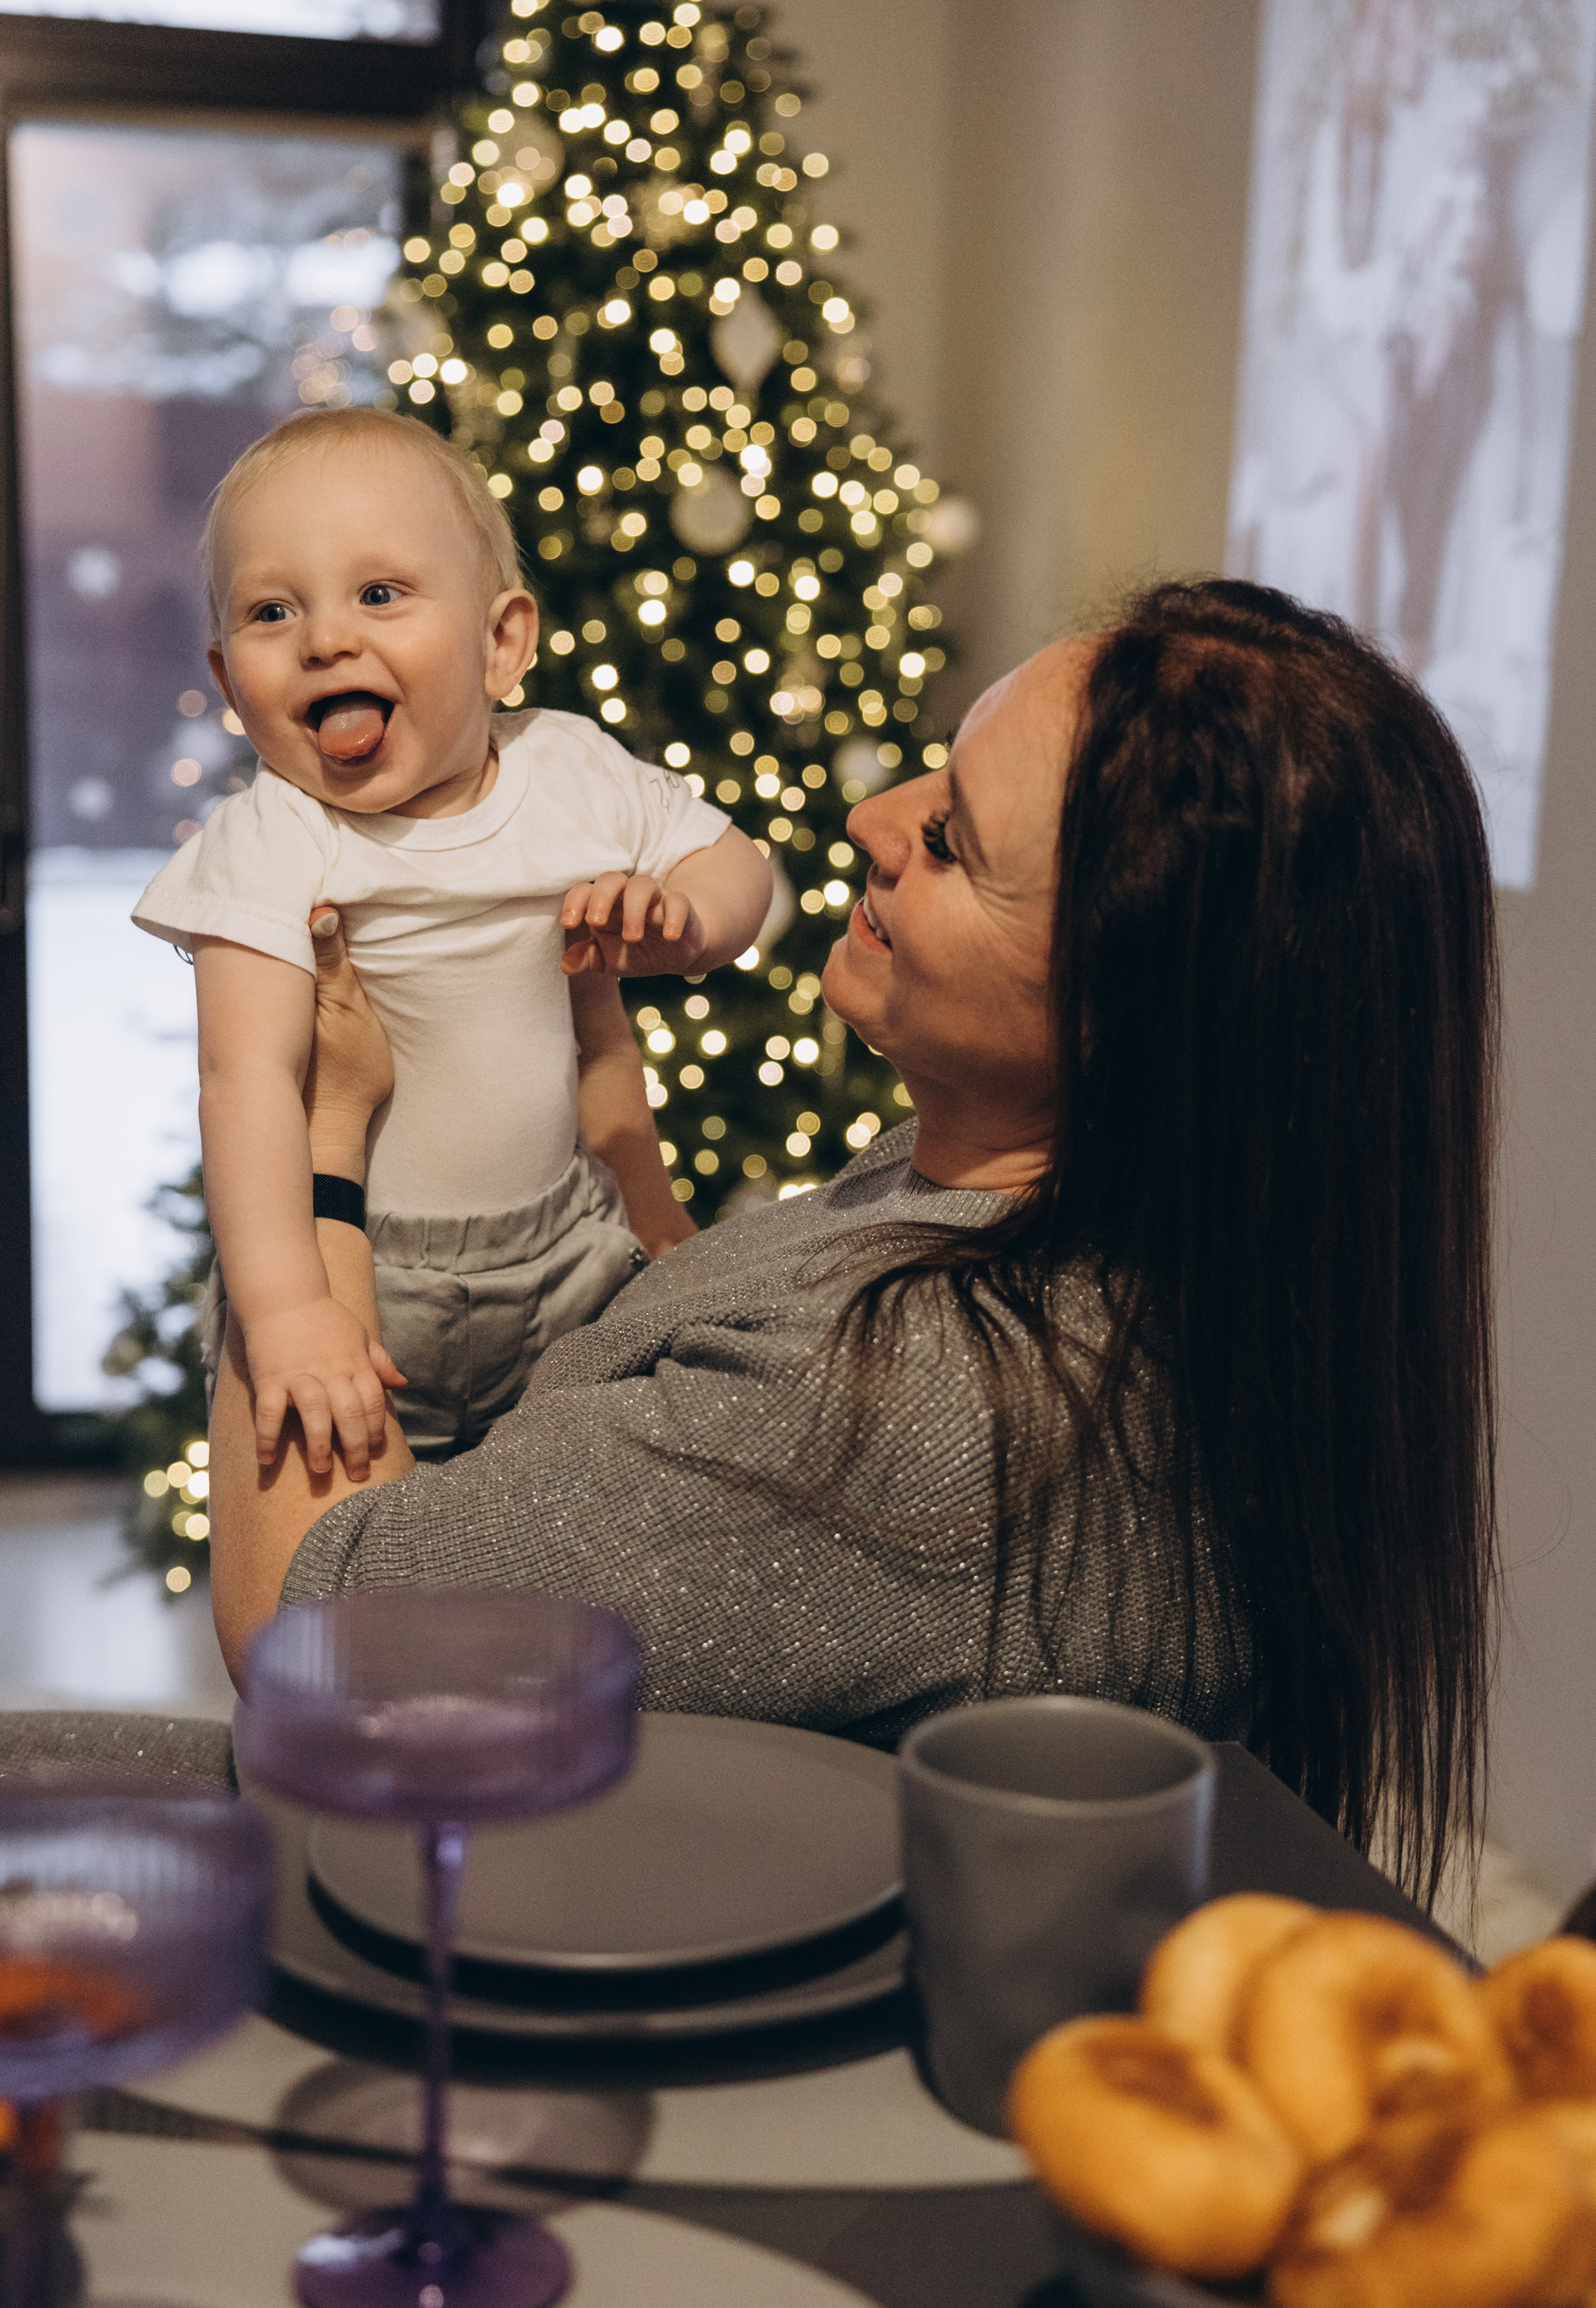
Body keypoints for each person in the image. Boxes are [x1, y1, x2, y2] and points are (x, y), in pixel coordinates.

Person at [206, 578, 1498, 1907]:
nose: (870, 820)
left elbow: (319, 1633)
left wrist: (313, 1146)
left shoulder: (928, 1399)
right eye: (933, 775)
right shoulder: (1047, 1211)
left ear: (1126, 1015)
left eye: (949, 841)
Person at [132, 409, 770, 1465]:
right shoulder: (277, 835)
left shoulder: (570, 769)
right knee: (366, 1564)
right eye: (273, 610)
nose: (326, 638)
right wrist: (288, 1308)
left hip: (572, 1246)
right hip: (368, 1274)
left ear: (500, 642)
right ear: (232, 683)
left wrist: (686, 919)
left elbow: (736, 863)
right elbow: (243, 1079)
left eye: (380, 594)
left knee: (573, 1531)